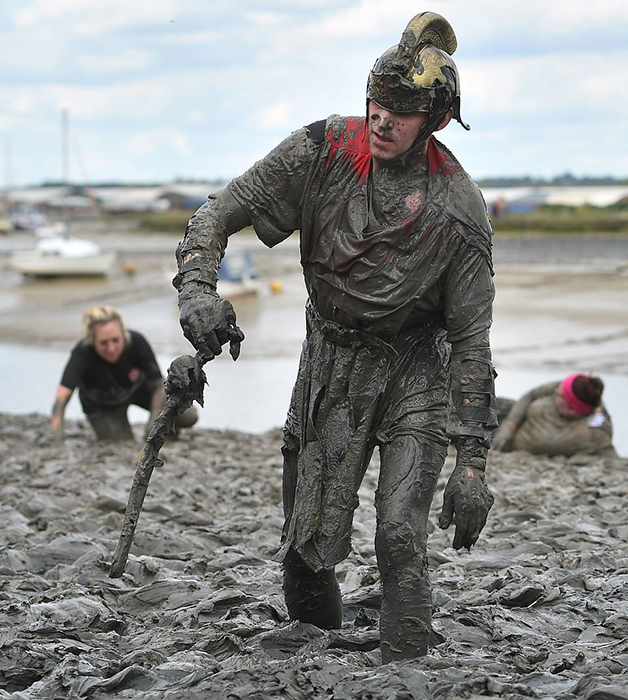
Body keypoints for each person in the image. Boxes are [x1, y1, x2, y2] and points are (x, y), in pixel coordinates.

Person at [173, 11, 497, 662]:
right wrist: (197, 288)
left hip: (416, 367)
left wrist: (472, 465)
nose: (382, 120)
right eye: (376, 103)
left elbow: (471, 345)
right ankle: (315, 635)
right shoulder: (319, 151)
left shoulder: (459, 210)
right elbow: (219, 210)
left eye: (401, 112)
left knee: (401, 532)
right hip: (332, 358)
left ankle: (407, 661)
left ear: (433, 119)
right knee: (307, 535)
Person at [51, 306, 198, 442]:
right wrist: (57, 442)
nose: (111, 348)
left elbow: (158, 385)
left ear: (123, 334)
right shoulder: (82, 353)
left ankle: (169, 430)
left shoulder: (137, 342)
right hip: (102, 404)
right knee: (120, 444)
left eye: (116, 340)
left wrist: (153, 424)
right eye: (103, 343)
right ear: (92, 340)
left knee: (188, 415)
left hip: (136, 389)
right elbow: (60, 400)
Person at [492, 373, 616, 457]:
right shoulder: (564, 386)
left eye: (560, 395)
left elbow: (609, 454)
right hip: (509, 418)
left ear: (573, 409)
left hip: (512, 445)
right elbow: (531, 395)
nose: (556, 391)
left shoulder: (593, 433)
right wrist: (510, 425)